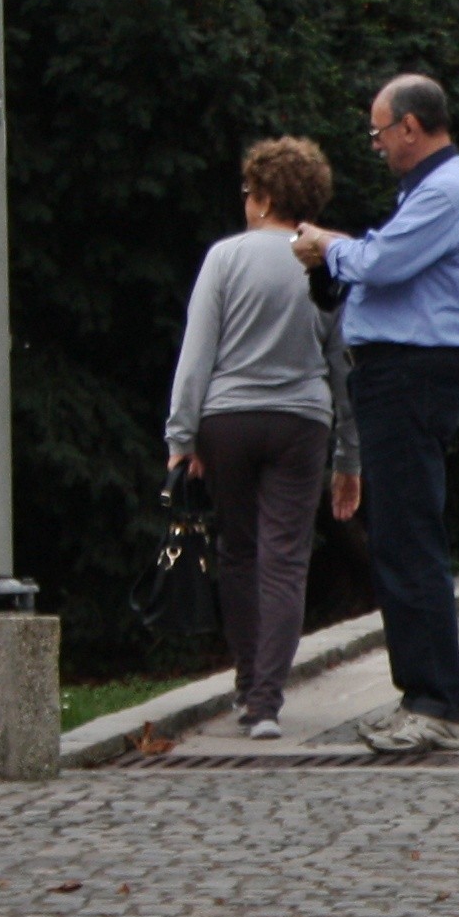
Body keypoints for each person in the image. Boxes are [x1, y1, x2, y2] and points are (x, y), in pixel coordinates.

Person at [291, 74, 459, 755]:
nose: (375, 144)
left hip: (412, 376)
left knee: (409, 540)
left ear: (411, 126)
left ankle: (439, 704)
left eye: (379, 131)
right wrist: (340, 257)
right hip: (399, 375)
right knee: (401, 538)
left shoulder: (447, 191)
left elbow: (381, 262)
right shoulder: (431, 191)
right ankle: (424, 697)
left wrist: (327, 245)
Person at [169, 137, 366, 738]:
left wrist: (181, 436)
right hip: (301, 421)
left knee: (238, 551)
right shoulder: (323, 262)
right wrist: (349, 455)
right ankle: (265, 703)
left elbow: (197, 353)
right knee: (285, 559)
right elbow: (343, 365)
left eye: (248, 191)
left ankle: (247, 676)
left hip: (227, 420)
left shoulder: (225, 258)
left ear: (265, 196)